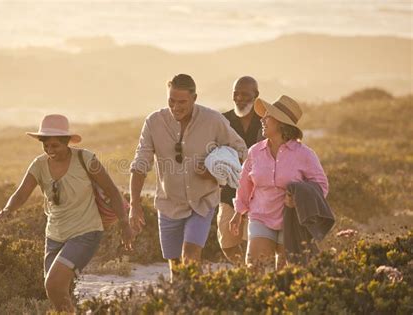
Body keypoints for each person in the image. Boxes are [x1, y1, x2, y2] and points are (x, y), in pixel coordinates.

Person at [0, 114, 132, 313]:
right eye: (46, 145)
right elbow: (21, 193)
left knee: (54, 285)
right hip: (54, 236)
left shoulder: (85, 159)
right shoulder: (38, 165)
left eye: (55, 145)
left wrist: (124, 223)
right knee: (57, 292)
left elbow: (111, 190)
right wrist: (7, 210)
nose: (50, 151)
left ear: (67, 142)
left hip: (86, 232)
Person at [129, 74, 247, 280]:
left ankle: (195, 300)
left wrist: (214, 171)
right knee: (175, 267)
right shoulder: (154, 122)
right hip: (168, 203)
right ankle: (185, 302)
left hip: (202, 202)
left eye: (182, 102)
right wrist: (134, 204)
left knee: (191, 255)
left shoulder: (213, 120)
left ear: (194, 98)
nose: (176, 106)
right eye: (171, 101)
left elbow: (241, 150)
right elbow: (140, 165)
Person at [229, 95, 328, 273]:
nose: (263, 119)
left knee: (285, 275)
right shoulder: (255, 152)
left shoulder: (304, 154)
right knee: (254, 270)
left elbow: (321, 185)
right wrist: (238, 213)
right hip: (260, 217)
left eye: (268, 116)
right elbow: (245, 184)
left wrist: (298, 198)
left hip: (290, 220)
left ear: (281, 123)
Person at [218, 76, 263, 264]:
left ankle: (253, 276)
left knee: (250, 240)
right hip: (229, 192)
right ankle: (245, 270)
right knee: (226, 242)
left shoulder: (265, 121)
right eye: (236, 93)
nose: (239, 98)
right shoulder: (223, 120)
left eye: (245, 94)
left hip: (259, 193)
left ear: (256, 95)